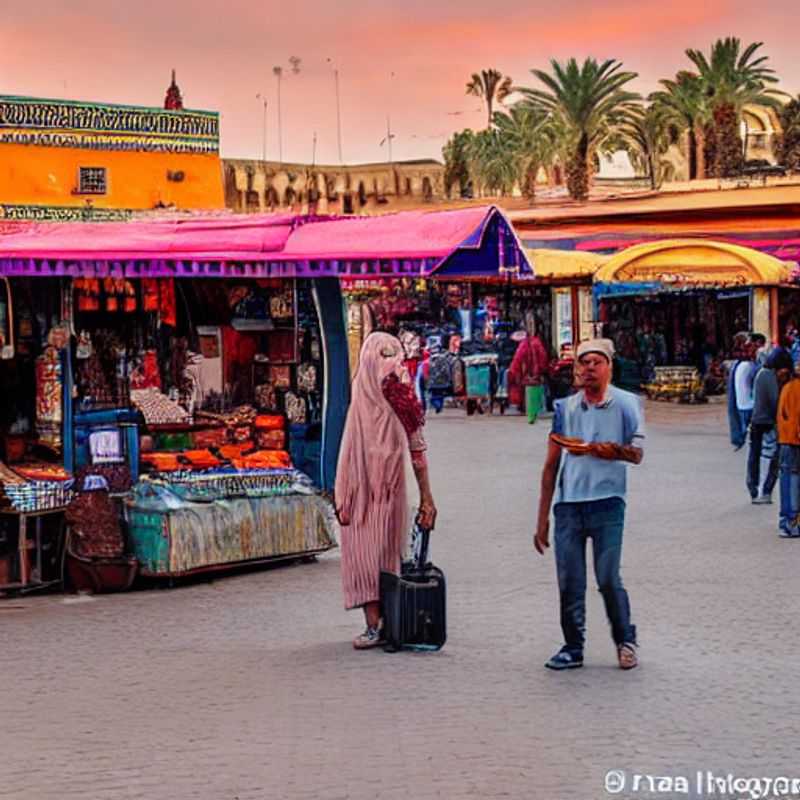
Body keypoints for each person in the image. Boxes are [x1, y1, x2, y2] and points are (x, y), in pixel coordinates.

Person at [534, 338, 644, 671]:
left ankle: (625, 640)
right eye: (584, 363)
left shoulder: (627, 403)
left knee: (608, 577)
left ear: (609, 367)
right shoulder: (565, 409)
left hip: (608, 503)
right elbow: (551, 465)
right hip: (569, 505)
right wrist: (542, 518)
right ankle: (572, 647)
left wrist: (604, 450)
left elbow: (637, 453)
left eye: (597, 362)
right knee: (570, 581)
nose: (590, 368)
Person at [335, 332, 438, 648]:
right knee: (371, 557)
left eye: (393, 355)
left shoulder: (398, 398)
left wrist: (427, 499)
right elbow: (349, 450)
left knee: (381, 557)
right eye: (385, 355)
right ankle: (378, 624)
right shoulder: (366, 397)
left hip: (382, 494)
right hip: (362, 494)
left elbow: (417, 450)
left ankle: (383, 624)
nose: (391, 364)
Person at [748, 348, 792, 504]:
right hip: (767, 421)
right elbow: (775, 402)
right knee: (774, 456)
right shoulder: (768, 375)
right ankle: (765, 490)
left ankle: (754, 488)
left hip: (757, 420)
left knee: (754, 455)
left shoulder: (761, 373)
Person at [777, 362, 800, 538]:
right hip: (794, 441)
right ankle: (792, 522)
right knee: (793, 479)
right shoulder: (796, 389)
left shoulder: (788, 387)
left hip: (786, 439)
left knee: (787, 479)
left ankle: (786, 520)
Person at [508, 328, 549, 424]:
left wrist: (513, 372)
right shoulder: (537, 343)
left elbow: (517, 360)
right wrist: (542, 369)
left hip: (528, 373)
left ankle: (531, 415)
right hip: (537, 373)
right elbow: (543, 357)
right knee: (537, 391)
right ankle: (539, 410)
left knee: (530, 393)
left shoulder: (524, 345)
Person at [732, 341, 757, 451]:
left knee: (745, 427)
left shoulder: (738, 366)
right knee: (751, 429)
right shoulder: (750, 366)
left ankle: (741, 441)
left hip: (740, 403)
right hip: (749, 404)